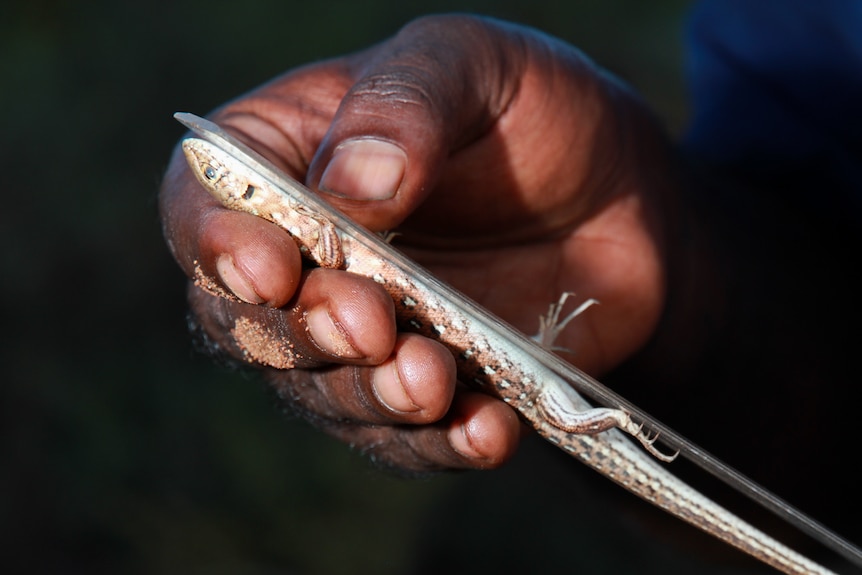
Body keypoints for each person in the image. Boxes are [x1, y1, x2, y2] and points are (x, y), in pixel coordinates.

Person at [160, 3, 861, 562]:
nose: (228, 173)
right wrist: (671, 277)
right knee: (578, 418)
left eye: (224, 174)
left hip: (530, 363)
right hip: (541, 380)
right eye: (225, 179)